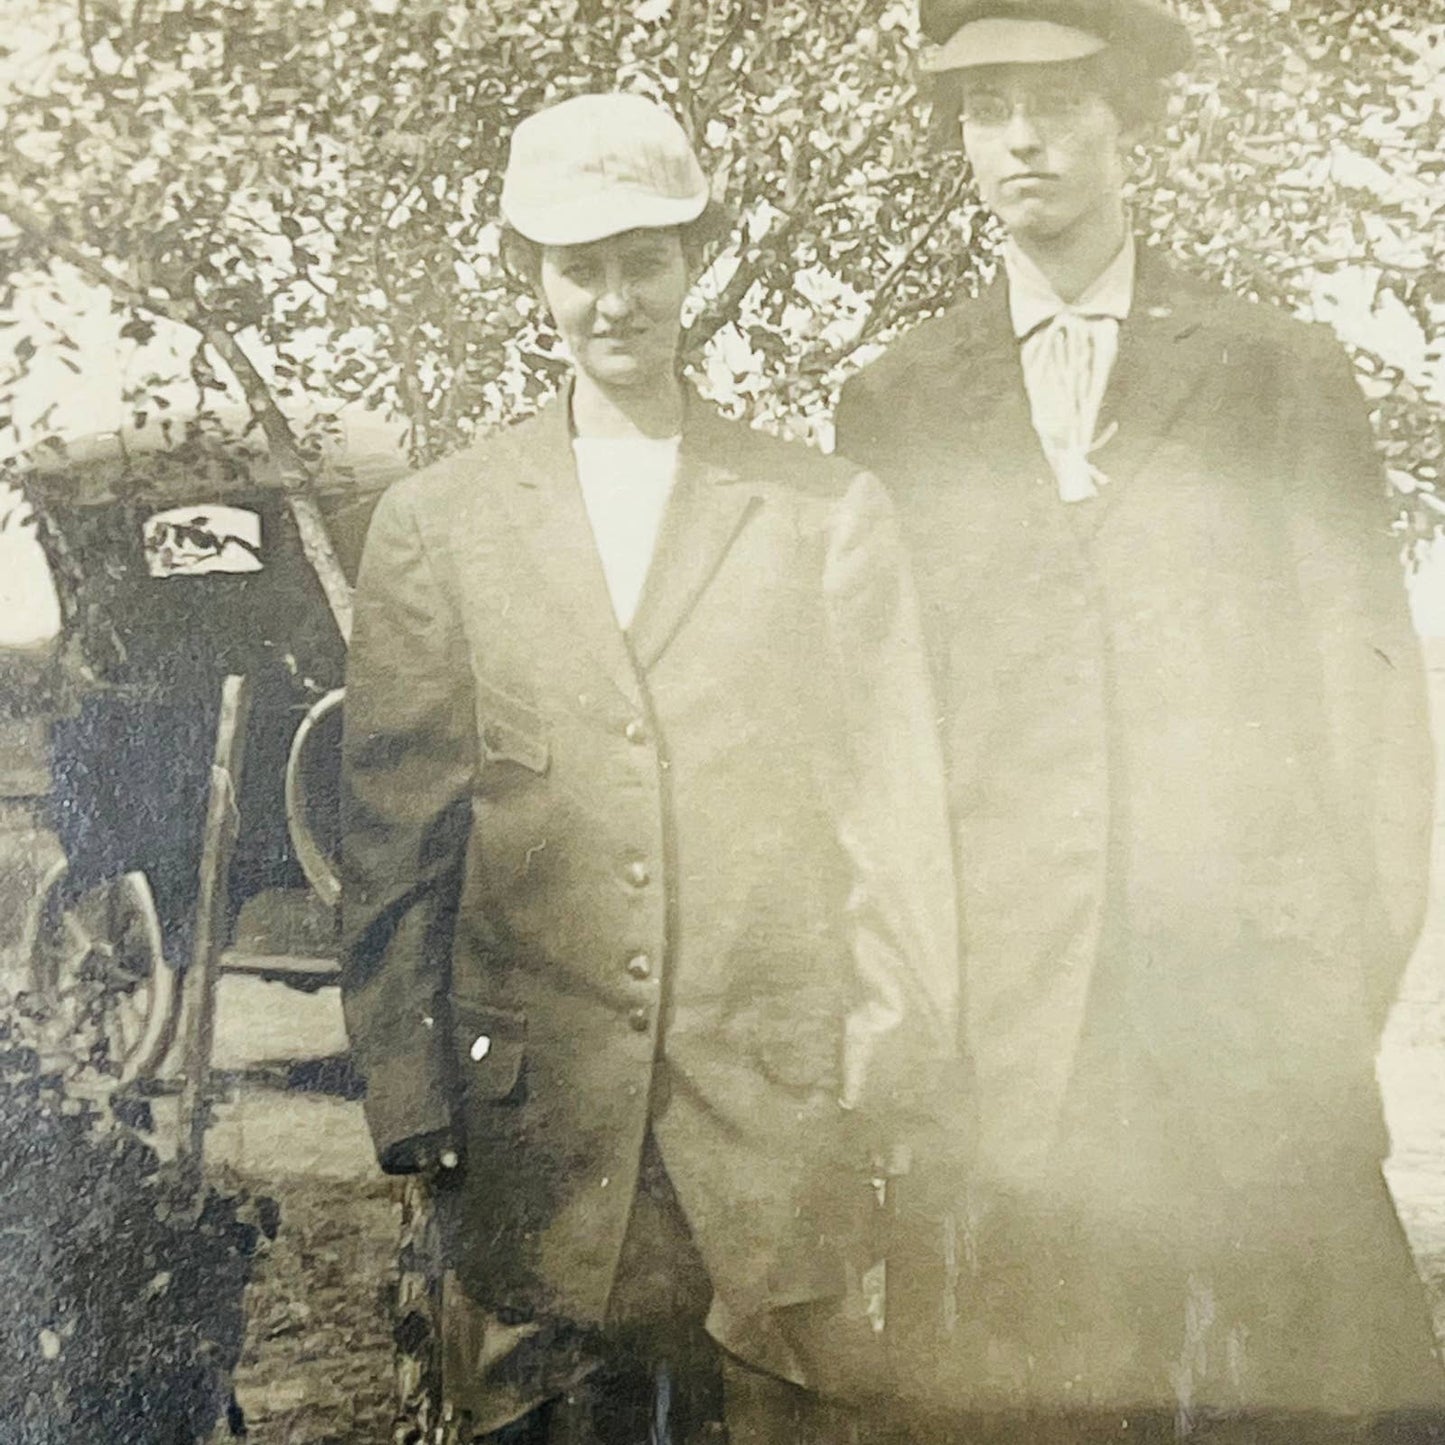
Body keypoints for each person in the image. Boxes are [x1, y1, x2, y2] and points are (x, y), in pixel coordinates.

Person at [833, 2, 1445, 1439]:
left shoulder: (1274, 373)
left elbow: (1367, 715)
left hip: (1255, 1027)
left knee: (1344, 1406)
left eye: (1056, 100)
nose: (1023, 138)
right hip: (1022, 1054)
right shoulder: (896, 399)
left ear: (1128, 117)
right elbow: (879, 742)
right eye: (986, 109)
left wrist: (1322, 990)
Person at [340, 92, 957, 1445]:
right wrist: (411, 1094)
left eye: (645, 259)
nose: (615, 299)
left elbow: (889, 819)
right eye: (580, 266)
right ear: (530, 278)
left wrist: (888, 1071)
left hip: (771, 1132)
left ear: (697, 261)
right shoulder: (439, 525)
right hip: (536, 1147)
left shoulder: (821, 513)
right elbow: (399, 839)